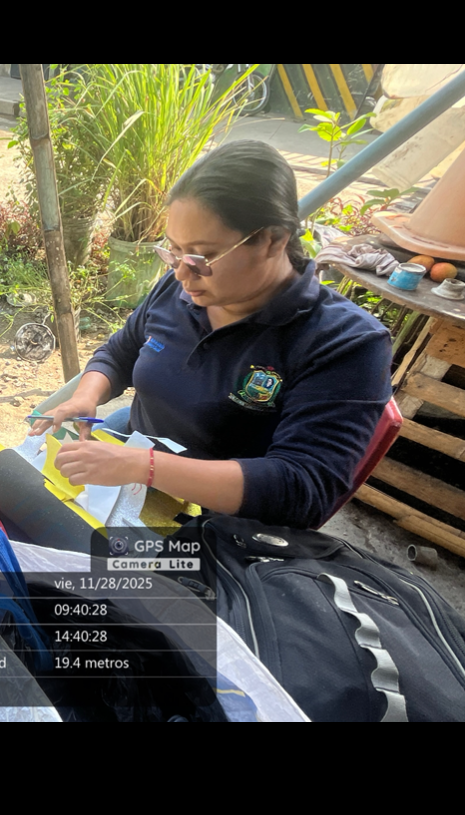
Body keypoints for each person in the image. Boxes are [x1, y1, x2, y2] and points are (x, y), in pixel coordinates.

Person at [32, 138, 393, 528]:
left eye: (201, 256)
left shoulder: (345, 343)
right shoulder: (180, 289)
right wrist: (86, 396)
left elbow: (303, 488)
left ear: (273, 239)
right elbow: (121, 351)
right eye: (173, 251)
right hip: (135, 457)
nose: (181, 273)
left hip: (222, 523)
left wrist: (145, 466)